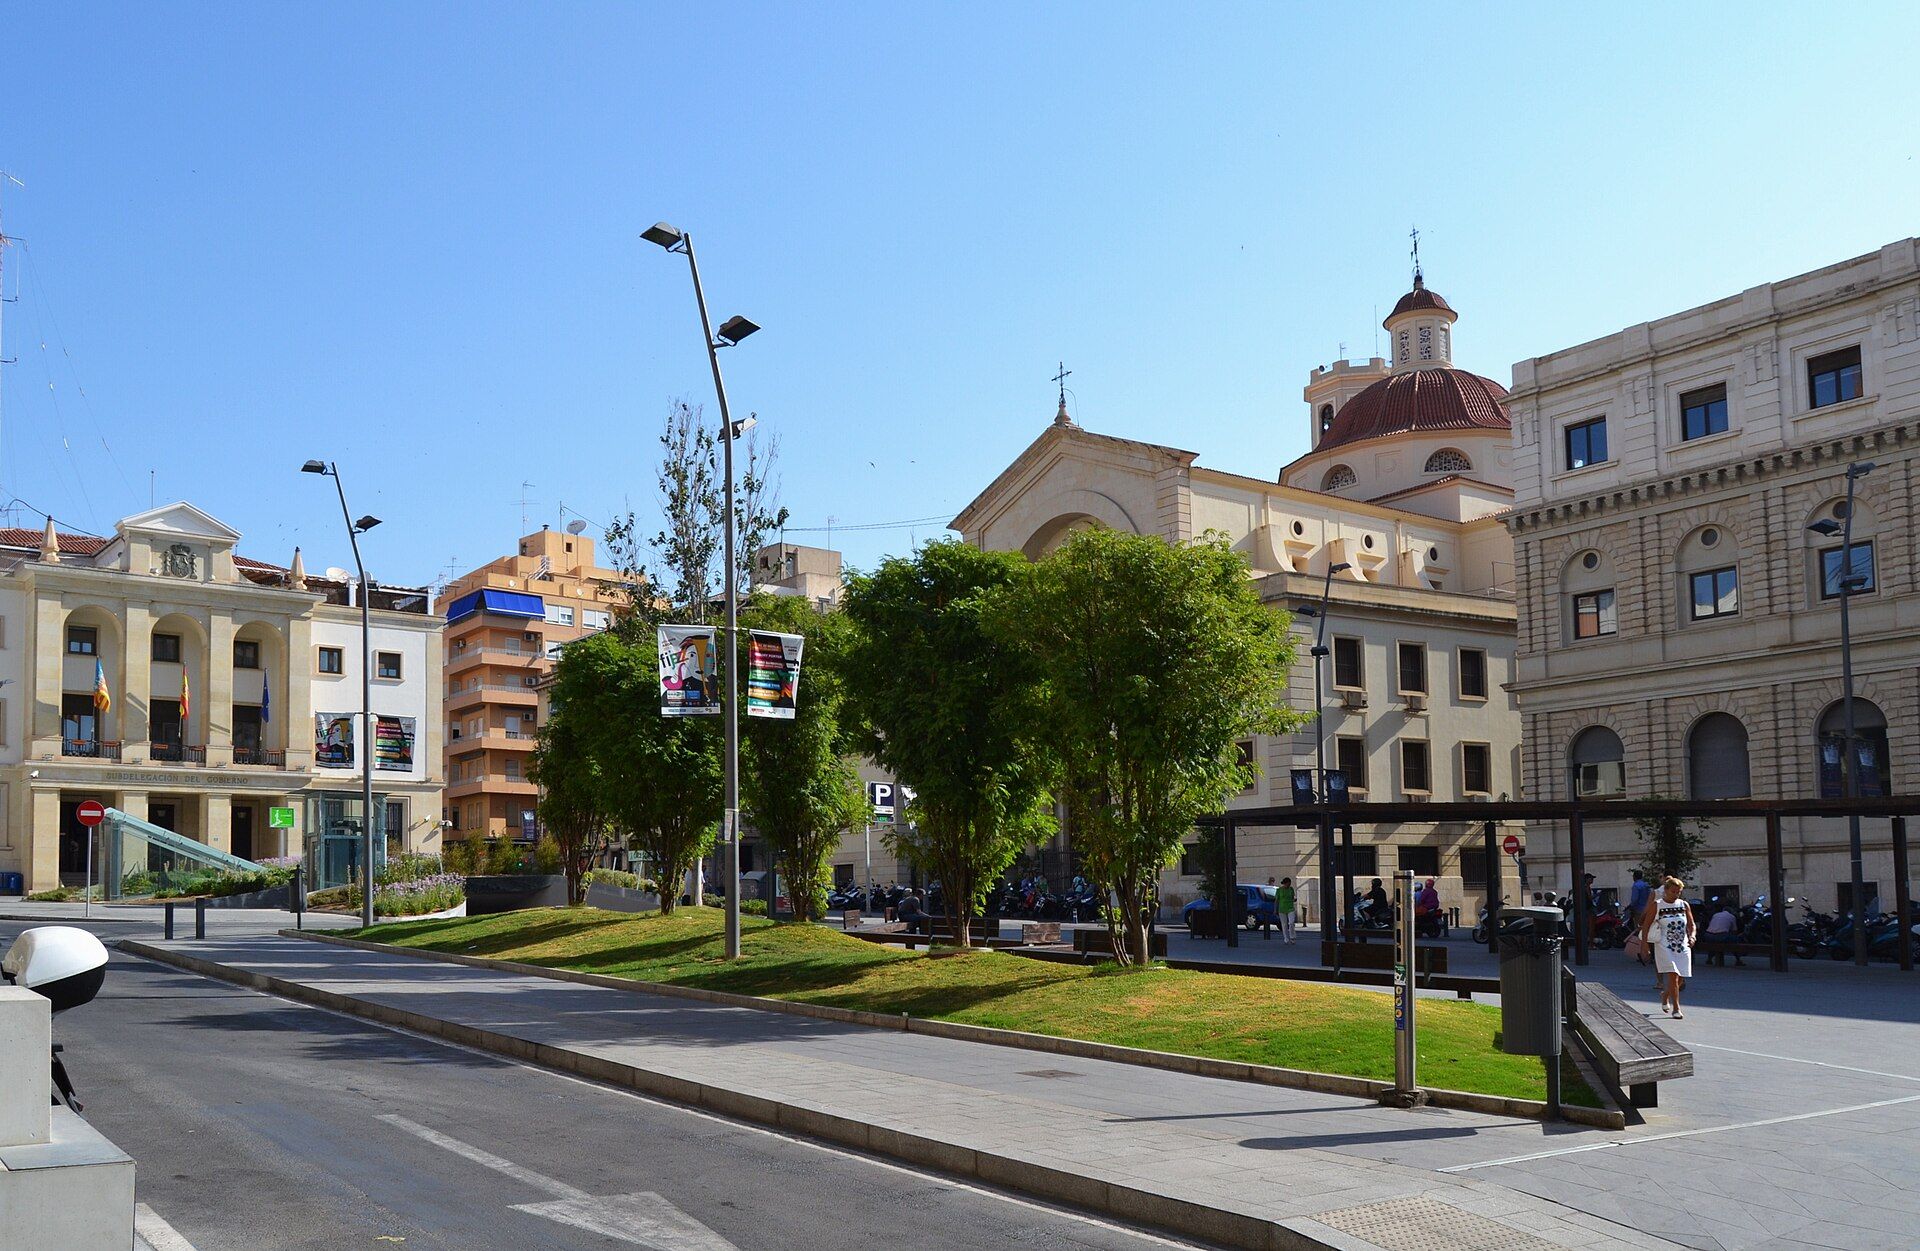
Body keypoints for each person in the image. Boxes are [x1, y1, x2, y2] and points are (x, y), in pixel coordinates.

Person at [1639, 875, 1696, 1018]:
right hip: (1664, 945)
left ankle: (1665, 995)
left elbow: (1691, 924)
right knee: (1673, 975)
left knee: (1681, 977)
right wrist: (1644, 945)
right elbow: (1646, 926)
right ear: (1666, 890)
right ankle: (1676, 1008)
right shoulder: (1657, 905)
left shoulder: (1684, 905)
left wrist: (1693, 935)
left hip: (1682, 945)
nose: (1676, 894)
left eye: (1679, 892)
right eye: (1673, 891)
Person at [1703, 899, 1741, 966]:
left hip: (1708, 936)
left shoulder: (1715, 915)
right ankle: (1738, 959)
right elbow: (1734, 931)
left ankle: (1709, 959)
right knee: (1735, 940)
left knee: (1714, 943)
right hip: (1721, 936)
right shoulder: (1732, 916)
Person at [1274, 876, 1297, 943]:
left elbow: (1293, 897)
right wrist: (1275, 909)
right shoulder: (1279, 890)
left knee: (1291, 922)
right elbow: (1276, 900)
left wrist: (1294, 899)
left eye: (1290, 884)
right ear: (1285, 883)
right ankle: (1286, 938)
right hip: (1282, 909)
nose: (1289, 885)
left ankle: (1292, 937)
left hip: (1290, 908)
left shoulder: (1291, 889)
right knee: (1284, 924)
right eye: (1288, 884)